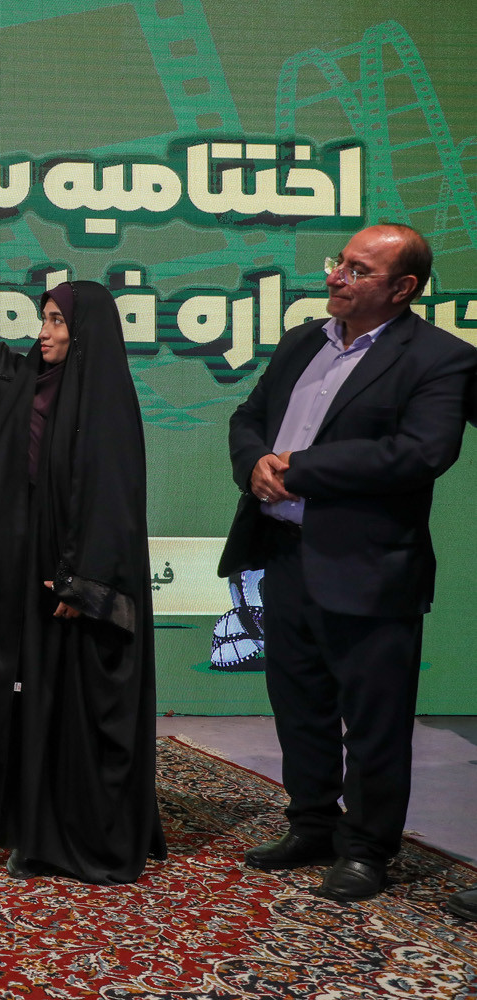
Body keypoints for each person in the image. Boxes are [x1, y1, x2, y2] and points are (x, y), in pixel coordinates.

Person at [219, 224, 477, 902]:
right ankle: (311, 825)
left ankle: (366, 849)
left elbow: (420, 453)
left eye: (359, 270)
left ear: (403, 288)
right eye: (341, 263)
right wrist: (255, 464)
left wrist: (300, 470)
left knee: (374, 721)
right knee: (299, 704)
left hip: (370, 567)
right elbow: (247, 418)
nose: (336, 276)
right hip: (284, 554)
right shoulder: (303, 340)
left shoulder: (441, 358)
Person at [0, 248, 166, 884]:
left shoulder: (105, 405)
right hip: (40, 577)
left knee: (83, 713)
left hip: (84, 587)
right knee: (38, 708)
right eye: (43, 319)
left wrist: (83, 584)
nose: (43, 332)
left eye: (57, 322)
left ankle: (89, 838)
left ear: (85, 332)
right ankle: (38, 831)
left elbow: (113, 504)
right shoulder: (33, 386)